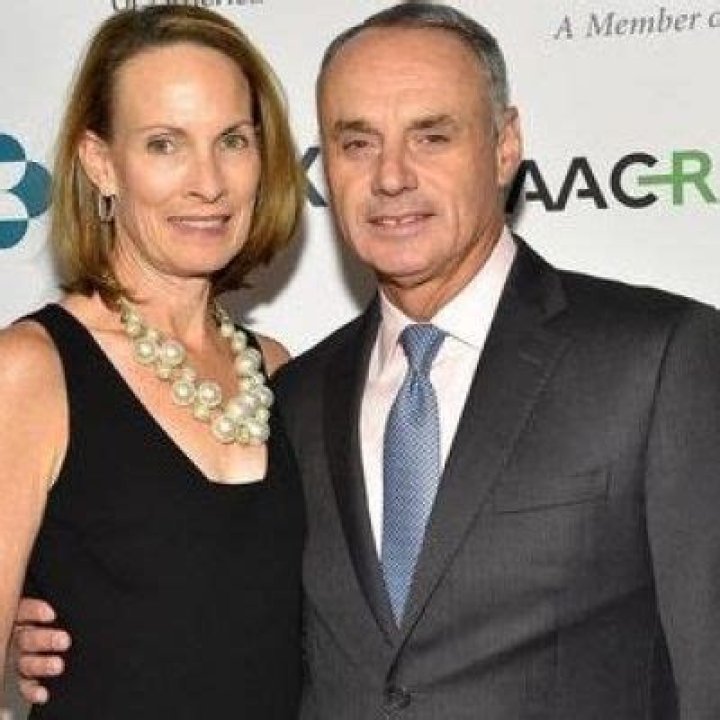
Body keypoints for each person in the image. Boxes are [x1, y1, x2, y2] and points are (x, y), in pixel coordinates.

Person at [15, 3, 720, 719]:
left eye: (432, 136)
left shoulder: (657, 360)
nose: (391, 177)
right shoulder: (302, 394)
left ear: (505, 146)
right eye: (356, 143)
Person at [1, 5, 305, 719]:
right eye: (165, 144)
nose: (209, 182)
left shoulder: (276, 372)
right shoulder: (32, 372)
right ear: (101, 163)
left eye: (232, 140)